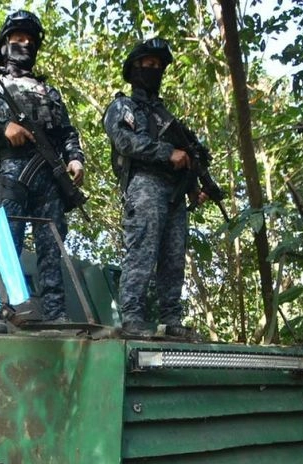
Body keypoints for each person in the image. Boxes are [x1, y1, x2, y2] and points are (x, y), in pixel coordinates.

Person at [0, 9, 85, 326]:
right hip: (12, 174)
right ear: (5, 44)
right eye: (18, 38)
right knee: (5, 242)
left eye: (30, 40)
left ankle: (55, 313)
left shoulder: (49, 92)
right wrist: (4, 127)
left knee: (51, 247)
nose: (25, 44)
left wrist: (75, 158)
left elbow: (66, 133)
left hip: (50, 176)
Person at [103, 37, 206, 340]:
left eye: (158, 66)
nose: (153, 70)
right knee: (142, 252)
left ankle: (171, 319)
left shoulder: (166, 117)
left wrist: (194, 187)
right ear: (133, 68)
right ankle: (132, 316)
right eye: (147, 65)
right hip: (144, 184)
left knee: (174, 257)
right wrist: (166, 153)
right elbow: (124, 141)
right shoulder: (123, 105)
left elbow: (185, 157)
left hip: (174, 191)